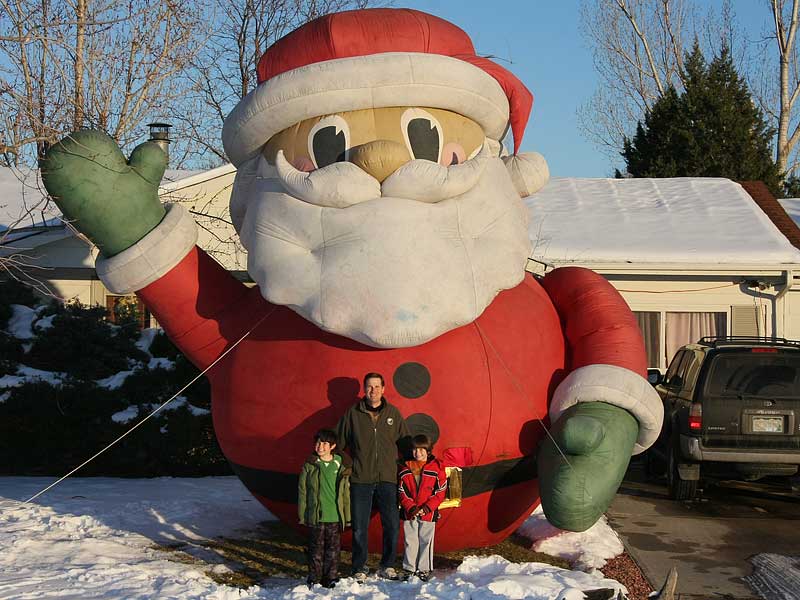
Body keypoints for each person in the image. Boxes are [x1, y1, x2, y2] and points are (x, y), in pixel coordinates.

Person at [336, 372, 410, 582]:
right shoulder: (353, 414)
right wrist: (350, 464)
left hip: (387, 478)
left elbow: (404, 443)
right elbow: (337, 443)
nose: (373, 390)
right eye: (369, 386)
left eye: (377, 386)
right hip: (361, 479)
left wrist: (414, 463)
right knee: (360, 527)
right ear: (364, 389)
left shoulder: (393, 413)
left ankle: (387, 565)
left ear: (384, 389)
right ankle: (359, 567)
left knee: (392, 525)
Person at [297, 429, 351, 589]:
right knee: (316, 549)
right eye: (318, 442)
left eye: (324, 443)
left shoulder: (340, 464)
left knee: (333, 549)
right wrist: (303, 514)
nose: (320, 446)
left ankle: (331, 577)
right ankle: (314, 577)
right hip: (316, 515)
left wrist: (347, 515)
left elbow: (345, 494)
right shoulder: (310, 464)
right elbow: (302, 491)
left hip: (334, 514)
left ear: (332, 446)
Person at [398, 434, 447, 581]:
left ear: (428, 450)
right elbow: (402, 491)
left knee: (426, 540)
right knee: (410, 540)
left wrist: (426, 508)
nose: (418, 453)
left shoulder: (437, 467)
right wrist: (411, 507)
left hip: (428, 513)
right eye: (415, 450)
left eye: (421, 450)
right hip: (410, 512)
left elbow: (440, 491)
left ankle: (424, 569)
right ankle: (409, 568)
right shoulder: (404, 467)